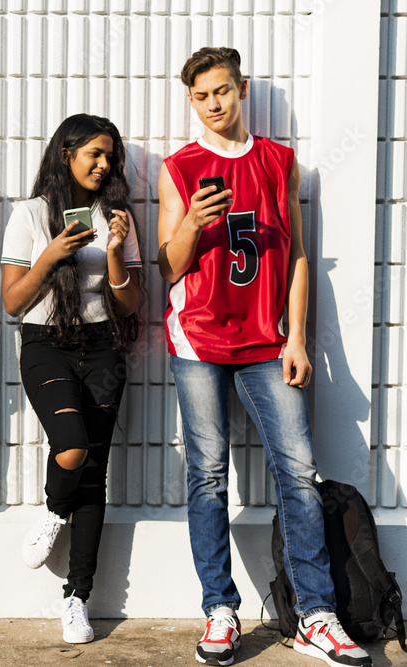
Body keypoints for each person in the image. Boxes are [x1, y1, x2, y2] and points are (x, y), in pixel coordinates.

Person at [157, 47, 371, 667]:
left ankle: (316, 614)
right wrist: (194, 222)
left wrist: (298, 338)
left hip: (266, 341)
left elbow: (299, 255)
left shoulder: (279, 162)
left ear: (242, 88)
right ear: (191, 101)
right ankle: (219, 611)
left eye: (223, 91)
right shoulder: (181, 168)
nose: (214, 104)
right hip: (197, 338)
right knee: (208, 474)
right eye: (201, 96)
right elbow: (167, 267)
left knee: (298, 474)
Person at [1, 114, 142, 644]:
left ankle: (76, 598)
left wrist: (112, 254)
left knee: (94, 472)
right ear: (67, 154)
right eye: (94, 155)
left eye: (111, 157)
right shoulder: (30, 214)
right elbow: (13, 302)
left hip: (104, 345)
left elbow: (131, 304)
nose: (104, 165)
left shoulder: (118, 217)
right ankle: (55, 508)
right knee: (72, 449)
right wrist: (52, 253)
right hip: (45, 346)